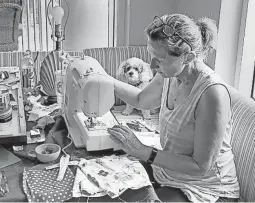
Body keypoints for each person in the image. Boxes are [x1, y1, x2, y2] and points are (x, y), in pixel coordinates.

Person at [107, 13, 240, 202]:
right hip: (171, 173)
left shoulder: (212, 94)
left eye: (159, 59)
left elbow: (200, 166)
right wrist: (104, 80)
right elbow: (141, 99)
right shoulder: (168, 74)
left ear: (188, 57)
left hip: (208, 189)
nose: (152, 65)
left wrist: (143, 150)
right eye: (151, 56)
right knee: (110, 180)